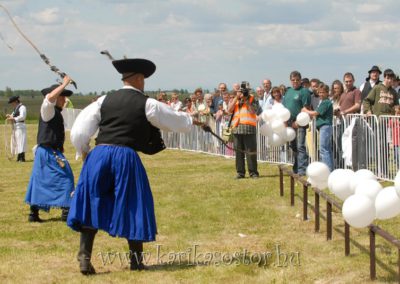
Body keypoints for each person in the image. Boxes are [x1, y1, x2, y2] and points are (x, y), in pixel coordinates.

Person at [67, 58, 204, 275]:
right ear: (139, 79)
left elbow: (79, 132)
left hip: (99, 154)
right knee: (133, 204)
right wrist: (191, 120)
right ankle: (136, 262)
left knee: (93, 202)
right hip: (125, 156)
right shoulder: (147, 103)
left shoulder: (103, 100)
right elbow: (172, 119)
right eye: (144, 80)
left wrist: (84, 152)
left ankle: (84, 259)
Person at [25, 76, 74, 222]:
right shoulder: (47, 109)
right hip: (47, 152)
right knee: (66, 177)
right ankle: (66, 211)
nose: (65, 99)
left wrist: (60, 145)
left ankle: (33, 214)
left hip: (50, 150)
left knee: (40, 180)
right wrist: (64, 83)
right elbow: (50, 97)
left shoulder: (56, 112)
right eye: (63, 96)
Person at [228, 81, 261, 179]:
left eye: (245, 91)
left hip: (249, 129)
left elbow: (254, 111)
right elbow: (229, 110)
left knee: (250, 152)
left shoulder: (252, 99)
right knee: (238, 153)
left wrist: (246, 101)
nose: (243, 93)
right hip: (237, 129)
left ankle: (253, 173)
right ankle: (240, 173)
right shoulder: (235, 99)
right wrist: (236, 98)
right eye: (241, 91)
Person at [282, 71, 311, 176]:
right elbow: (284, 109)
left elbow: (306, 108)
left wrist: (298, 123)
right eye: (293, 80)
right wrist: (285, 124)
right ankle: (296, 167)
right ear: (290, 80)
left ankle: (302, 170)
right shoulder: (288, 92)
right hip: (289, 123)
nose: (295, 82)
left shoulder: (304, 92)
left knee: (300, 146)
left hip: (300, 123)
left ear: (300, 80)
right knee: (293, 147)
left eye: (297, 80)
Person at [304, 83, 334, 171]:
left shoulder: (326, 102)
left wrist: (306, 110)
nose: (321, 94)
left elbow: (316, 113)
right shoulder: (323, 102)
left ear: (327, 93)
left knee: (323, 149)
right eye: (319, 92)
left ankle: (328, 169)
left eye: (323, 92)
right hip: (324, 127)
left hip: (325, 127)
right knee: (326, 149)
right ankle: (329, 169)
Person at [6, 95, 27, 162]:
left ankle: (22, 157)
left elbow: (22, 116)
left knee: (21, 142)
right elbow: (13, 115)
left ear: (16, 101)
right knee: (17, 142)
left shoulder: (22, 107)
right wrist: (10, 116)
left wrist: (14, 118)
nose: (12, 104)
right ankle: (19, 157)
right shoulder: (16, 108)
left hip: (20, 126)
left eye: (12, 102)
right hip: (15, 127)